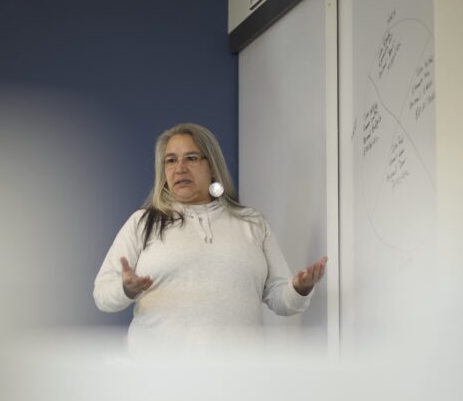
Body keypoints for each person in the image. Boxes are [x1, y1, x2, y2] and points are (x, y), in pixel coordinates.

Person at [93, 123, 327, 356]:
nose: (180, 168)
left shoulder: (252, 223)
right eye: (171, 160)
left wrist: (299, 288)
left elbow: (282, 301)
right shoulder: (143, 222)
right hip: (159, 377)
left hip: (237, 375)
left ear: (212, 166)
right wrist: (126, 289)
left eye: (191, 158)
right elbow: (103, 296)